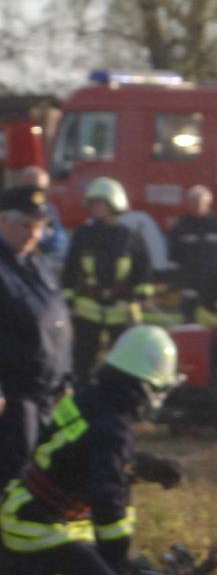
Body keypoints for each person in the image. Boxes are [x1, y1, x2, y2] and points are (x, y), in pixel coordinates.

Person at [0, 326, 189, 575]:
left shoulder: (88, 399)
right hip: (39, 527)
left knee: (130, 567)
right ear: (147, 386)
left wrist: (146, 466)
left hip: (26, 511)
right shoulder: (113, 428)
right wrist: (116, 561)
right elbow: (108, 502)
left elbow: (82, 457)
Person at [0, 186, 72, 489]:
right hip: (15, 395)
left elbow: (58, 321)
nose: (34, 233)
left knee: (39, 472)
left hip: (47, 392)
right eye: (26, 225)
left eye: (39, 225)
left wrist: (66, 378)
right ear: (2, 220)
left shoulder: (36, 264)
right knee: (14, 472)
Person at [62, 178, 153, 386]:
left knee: (124, 364)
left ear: (115, 205)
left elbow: (143, 269)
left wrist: (142, 294)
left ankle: (117, 404)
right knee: (81, 364)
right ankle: (81, 403)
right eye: (93, 204)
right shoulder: (83, 235)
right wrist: (68, 299)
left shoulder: (129, 236)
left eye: (101, 203)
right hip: (87, 310)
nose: (96, 208)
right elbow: (70, 269)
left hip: (121, 310)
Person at [167, 185, 217, 322]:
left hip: (216, 284)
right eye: (194, 202)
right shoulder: (181, 226)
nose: (197, 205)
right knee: (189, 320)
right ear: (189, 203)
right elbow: (173, 257)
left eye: (201, 202)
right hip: (190, 284)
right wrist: (176, 283)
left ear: (208, 203)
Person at [13, 167, 67, 262]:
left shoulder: (49, 210)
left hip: (43, 258)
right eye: (29, 187)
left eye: (40, 189)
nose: (34, 192)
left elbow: (58, 240)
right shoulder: (10, 211)